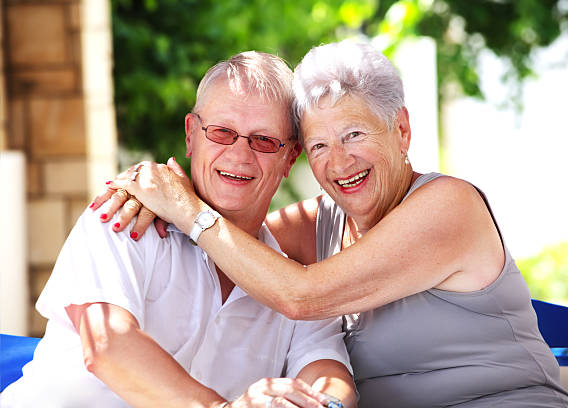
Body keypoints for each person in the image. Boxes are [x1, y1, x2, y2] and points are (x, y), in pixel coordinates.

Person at [95, 41, 568, 407]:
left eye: (354, 134)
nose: (339, 162)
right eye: (320, 145)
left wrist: (186, 209)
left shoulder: (450, 206)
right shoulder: (317, 225)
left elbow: (301, 295)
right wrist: (145, 196)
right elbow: (232, 236)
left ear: (401, 130)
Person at [0, 51, 356, 408]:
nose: (240, 155)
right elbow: (107, 345)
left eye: (263, 140)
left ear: (289, 158)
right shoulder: (125, 214)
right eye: (222, 132)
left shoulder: (288, 285)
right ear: (190, 135)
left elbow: (329, 376)